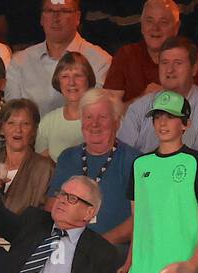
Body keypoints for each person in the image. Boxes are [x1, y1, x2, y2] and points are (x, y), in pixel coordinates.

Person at [118, 37, 198, 210]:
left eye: (178, 63)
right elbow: (120, 160)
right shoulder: (139, 109)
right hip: (147, 199)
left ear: (194, 68)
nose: (170, 69)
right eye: (164, 63)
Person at [120, 92, 198, 273]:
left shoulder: (195, 161)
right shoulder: (140, 164)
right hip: (143, 265)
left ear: (185, 124)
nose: (162, 123)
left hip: (183, 264)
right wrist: (130, 260)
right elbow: (139, 220)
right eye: (157, 117)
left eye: (170, 117)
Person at [47, 88, 135, 245]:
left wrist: (97, 247)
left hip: (113, 252)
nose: (94, 123)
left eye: (102, 117)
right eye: (88, 117)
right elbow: (52, 206)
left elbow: (140, 220)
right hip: (67, 249)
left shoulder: (134, 161)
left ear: (117, 122)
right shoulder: (67, 158)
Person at [5, 0, 110, 117]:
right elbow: (13, 114)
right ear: (41, 18)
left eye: (64, 11)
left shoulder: (100, 61)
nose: (56, 17)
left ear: (78, 17)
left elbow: (98, 114)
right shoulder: (20, 61)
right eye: (49, 11)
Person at [104, 0, 198, 104]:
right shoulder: (126, 56)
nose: (155, 28)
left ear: (176, 27)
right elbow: (109, 112)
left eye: (163, 22)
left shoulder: (193, 61)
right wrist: (142, 100)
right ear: (141, 26)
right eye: (149, 21)